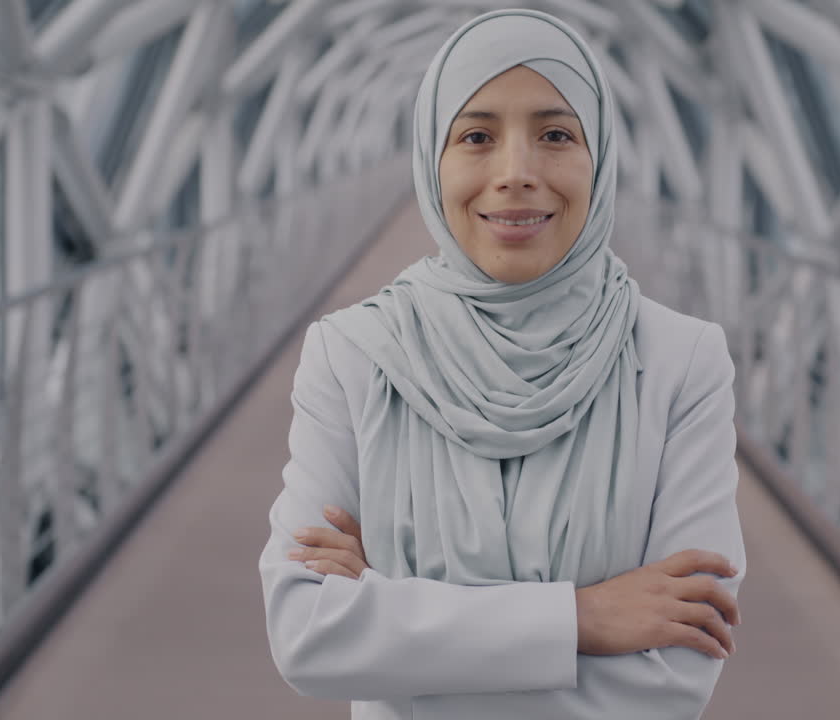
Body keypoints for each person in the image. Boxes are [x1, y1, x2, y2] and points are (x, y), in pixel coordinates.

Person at [258, 9, 745, 719]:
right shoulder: (354, 355)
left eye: (555, 134)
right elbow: (307, 636)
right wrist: (584, 619)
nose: (516, 174)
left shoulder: (682, 361)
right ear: (431, 157)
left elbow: (676, 677)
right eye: (477, 137)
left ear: (601, 154)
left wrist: (392, 626)